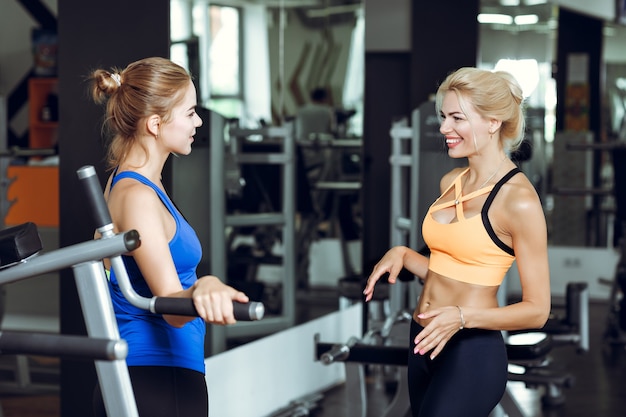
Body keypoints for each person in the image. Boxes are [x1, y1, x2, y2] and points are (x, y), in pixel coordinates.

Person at [363, 67, 551, 417]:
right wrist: (404, 254)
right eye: (443, 117)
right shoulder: (452, 181)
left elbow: (538, 310)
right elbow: (453, 270)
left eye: (456, 118)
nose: (444, 128)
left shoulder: (518, 200)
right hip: (422, 342)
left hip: (470, 349)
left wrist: (462, 317)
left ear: (493, 122)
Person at [87, 57, 250, 417]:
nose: (199, 121)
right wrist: (205, 285)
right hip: (159, 381)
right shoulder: (137, 197)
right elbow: (172, 308)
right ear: (156, 124)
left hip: (153, 378)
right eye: (190, 112)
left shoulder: (134, 184)